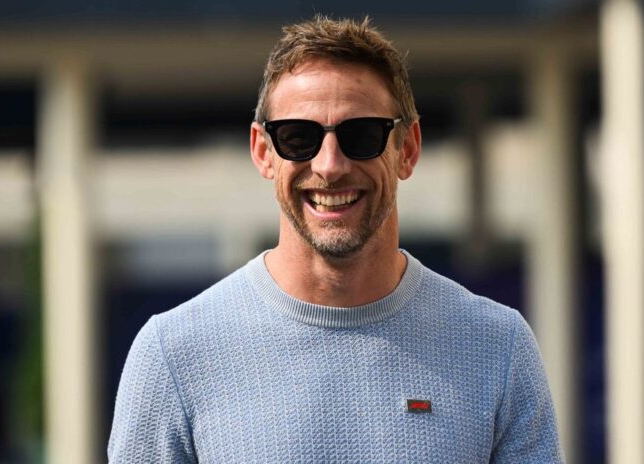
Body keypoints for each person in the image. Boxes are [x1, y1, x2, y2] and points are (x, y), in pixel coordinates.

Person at [108, 16, 564, 463]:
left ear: (407, 149)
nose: (329, 165)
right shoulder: (174, 355)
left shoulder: (496, 347)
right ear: (263, 152)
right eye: (298, 137)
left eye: (361, 135)